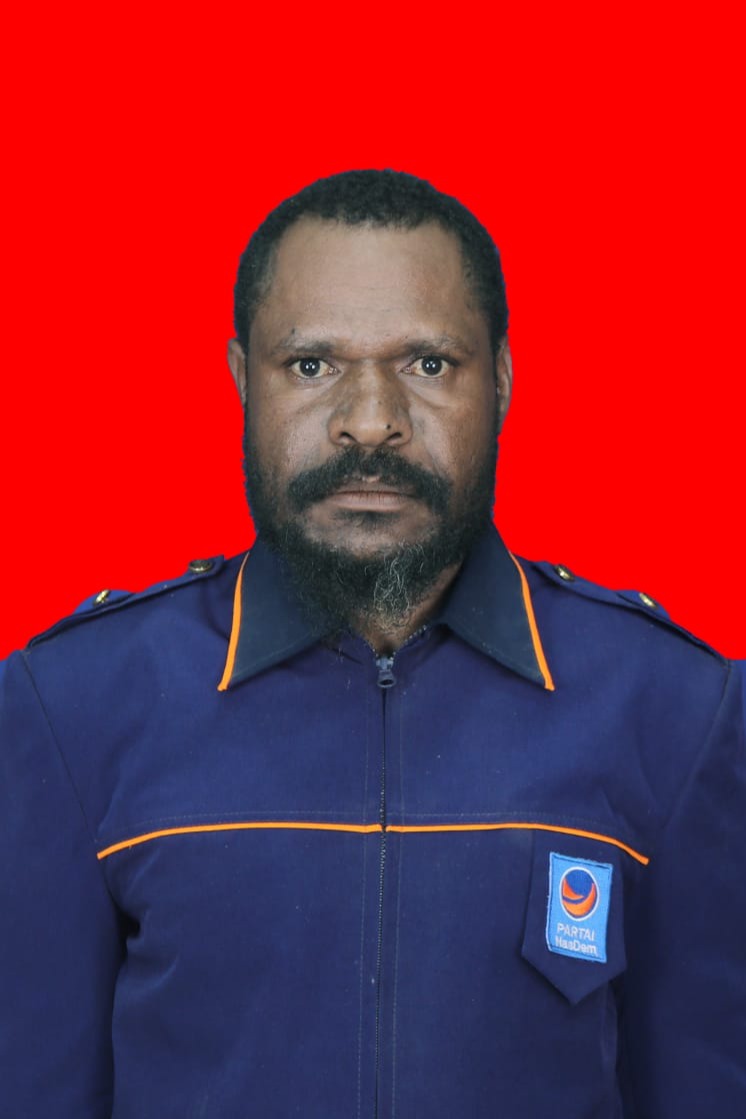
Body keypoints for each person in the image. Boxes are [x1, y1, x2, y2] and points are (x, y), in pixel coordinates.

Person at [1, 170, 744, 1118]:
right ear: (242, 380)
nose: (369, 419)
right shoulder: (68, 706)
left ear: (502, 379)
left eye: (427, 363)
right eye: (312, 364)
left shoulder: (678, 709)